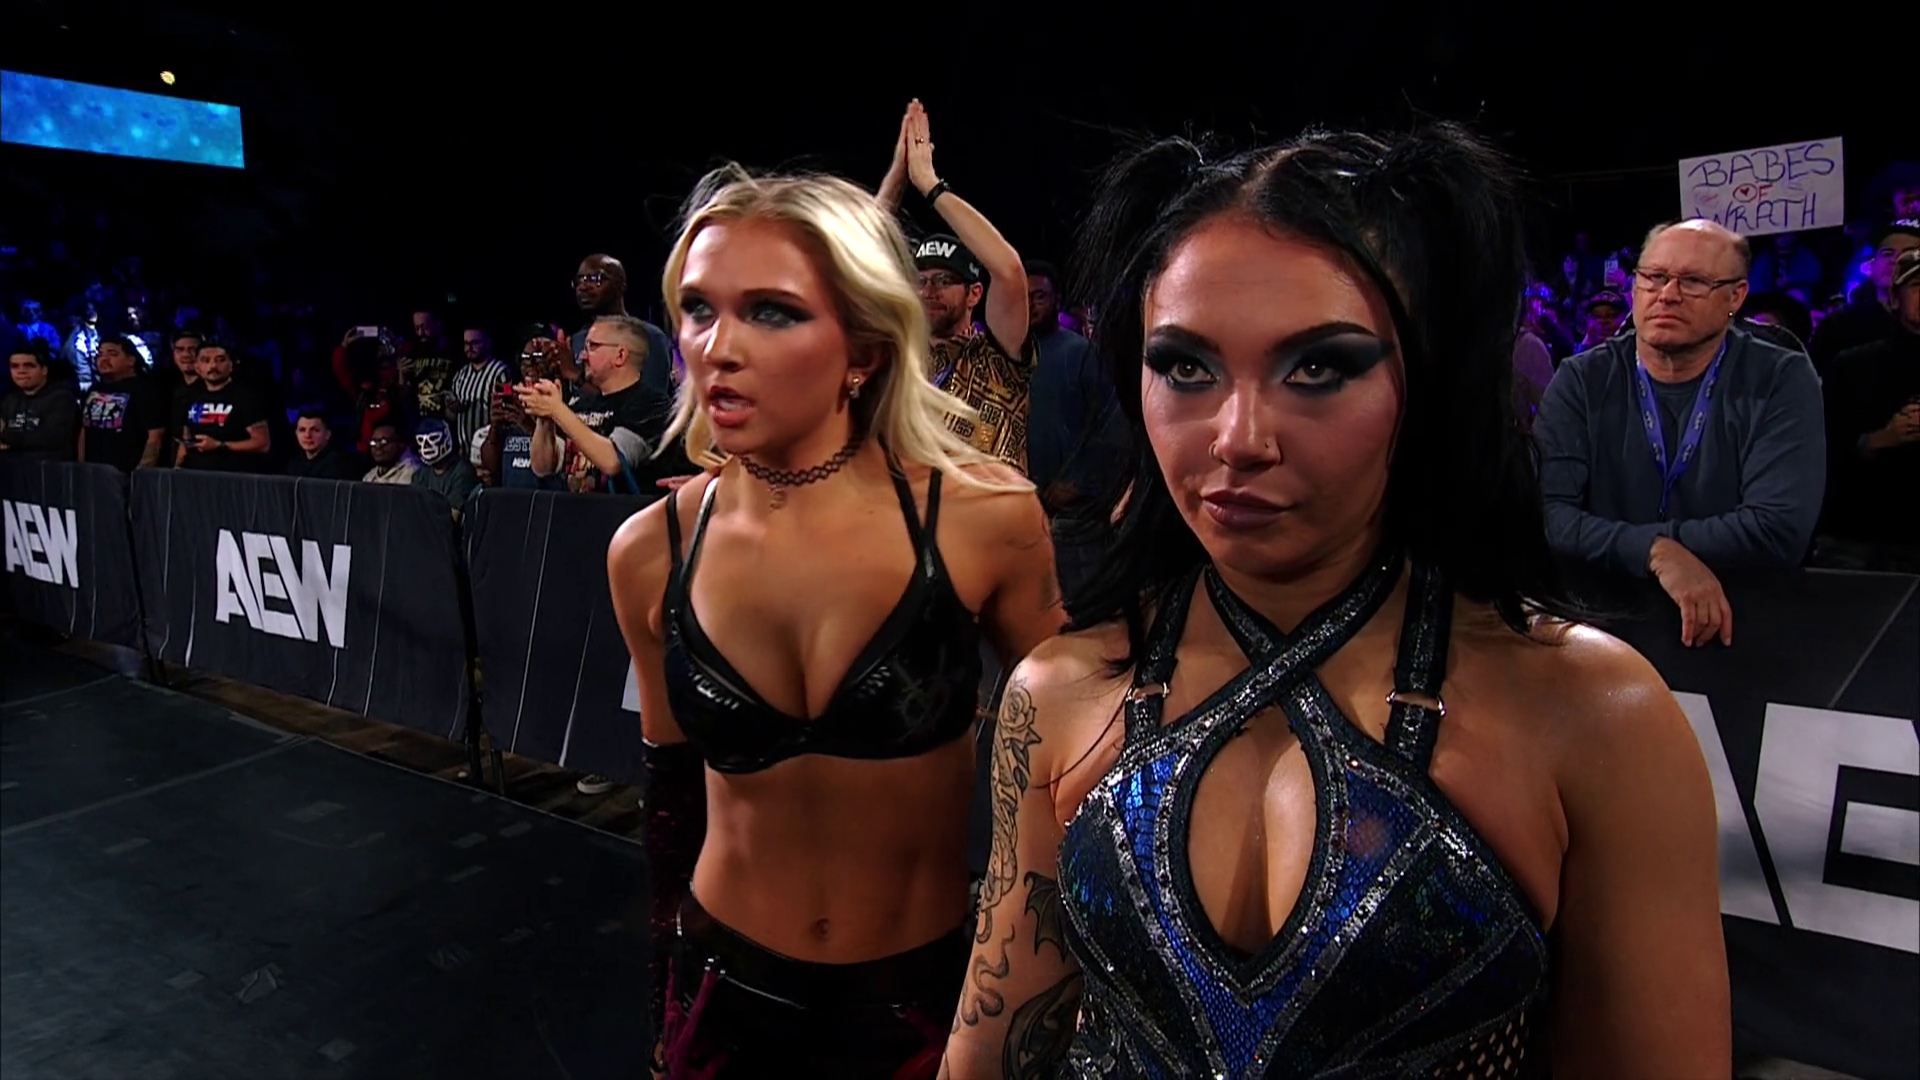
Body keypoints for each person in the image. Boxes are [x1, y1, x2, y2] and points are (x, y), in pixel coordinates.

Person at [938, 126, 1731, 1079]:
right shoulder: (1061, 690)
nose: (1238, 437)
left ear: (1428, 383)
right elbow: (991, 1043)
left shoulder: (1594, 715)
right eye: (1185, 367)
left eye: (1316, 367)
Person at [606, 165, 1063, 1078]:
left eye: (771, 312)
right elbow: (671, 802)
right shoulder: (651, 550)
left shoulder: (983, 516)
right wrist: (666, 1013)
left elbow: (1070, 766)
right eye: (698, 309)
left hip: (920, 1005)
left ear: (864, 344)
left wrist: (1021, 997)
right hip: (721, 992)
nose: (717, 347)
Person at [78, 335, 166, 472]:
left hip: (128, 474)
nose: (104, 359)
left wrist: (142, 473)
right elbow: (84, 430)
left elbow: (155, 435)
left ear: (131, 360)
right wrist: (81, 468)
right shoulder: (94, 390)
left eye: (112, 354)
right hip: (93, 474)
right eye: (100, 355)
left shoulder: (145, 390)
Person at [1, 341, 78, 462]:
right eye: (15, 366)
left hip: (49, 470)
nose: (21, 371)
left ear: (44, 370)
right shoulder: (9, 400)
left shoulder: (62, 398)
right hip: (12, 470)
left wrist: (6, 435)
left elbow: (51, 438)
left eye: (29, 366)